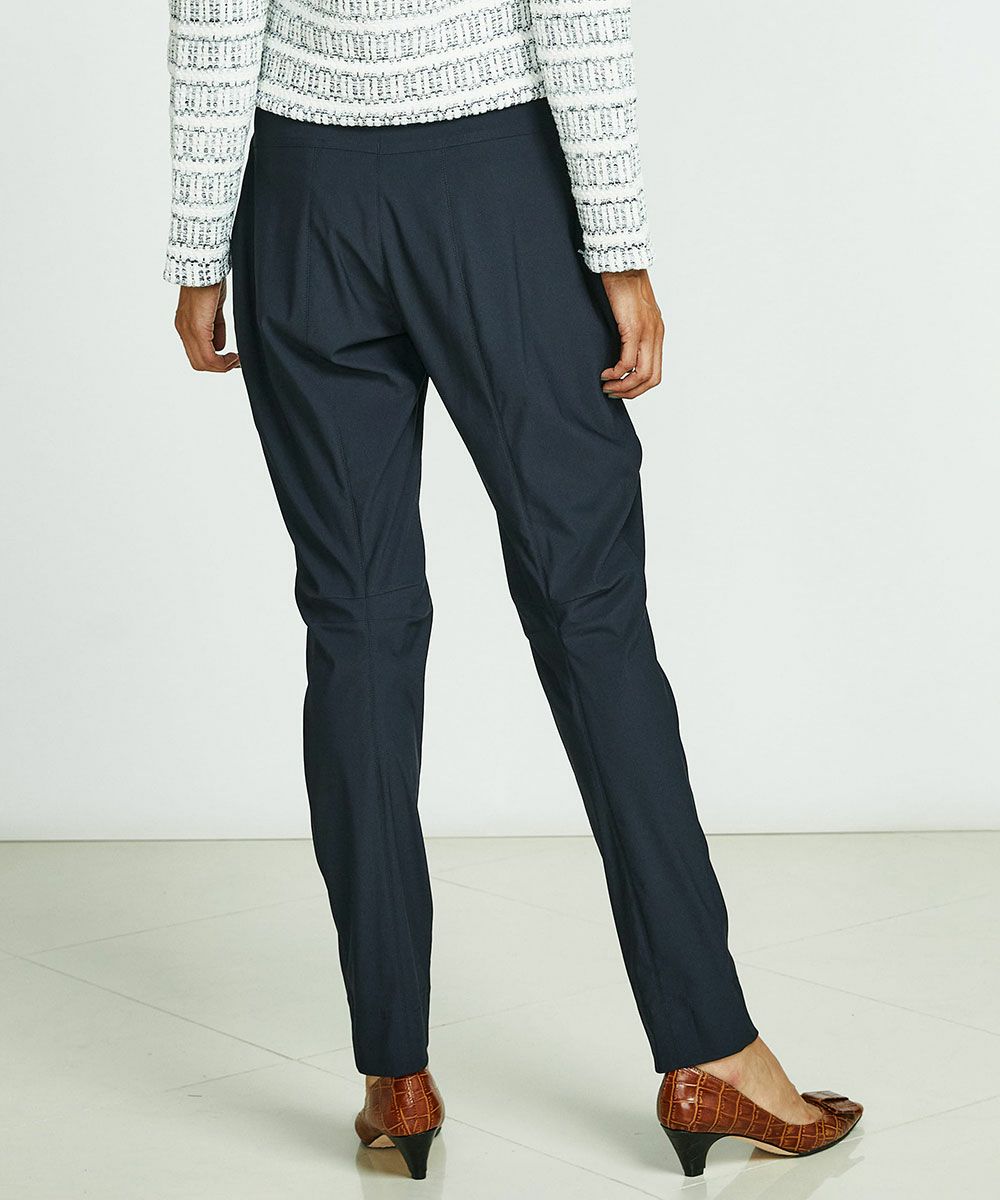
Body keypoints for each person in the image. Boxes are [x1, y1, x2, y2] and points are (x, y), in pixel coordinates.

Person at [166, 1, 861, 1181]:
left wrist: (198, 251)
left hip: (298, 198)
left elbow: (215, 18)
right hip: (493, 189)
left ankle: (395, 1077)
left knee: (356, 626)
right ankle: (710, 1051)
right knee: (591, 615)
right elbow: (574, 17)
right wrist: (619, 249)